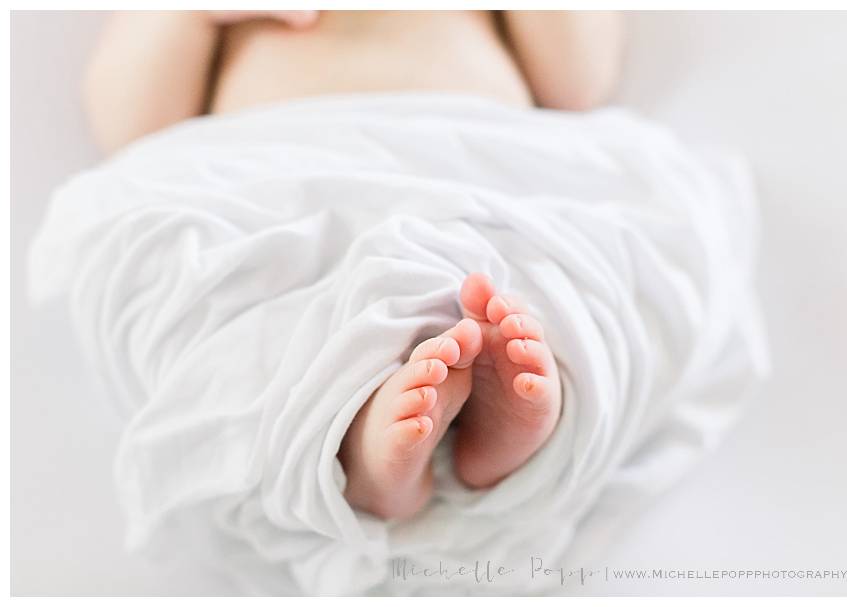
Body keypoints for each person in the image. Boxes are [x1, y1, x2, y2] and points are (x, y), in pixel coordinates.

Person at [81, 10, 625, 520]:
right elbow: (134, 131)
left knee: (555, 279)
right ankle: (361, 449)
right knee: (249, 311)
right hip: (282, 190)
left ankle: (497, 426)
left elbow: (576, 84)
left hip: (469, 167)